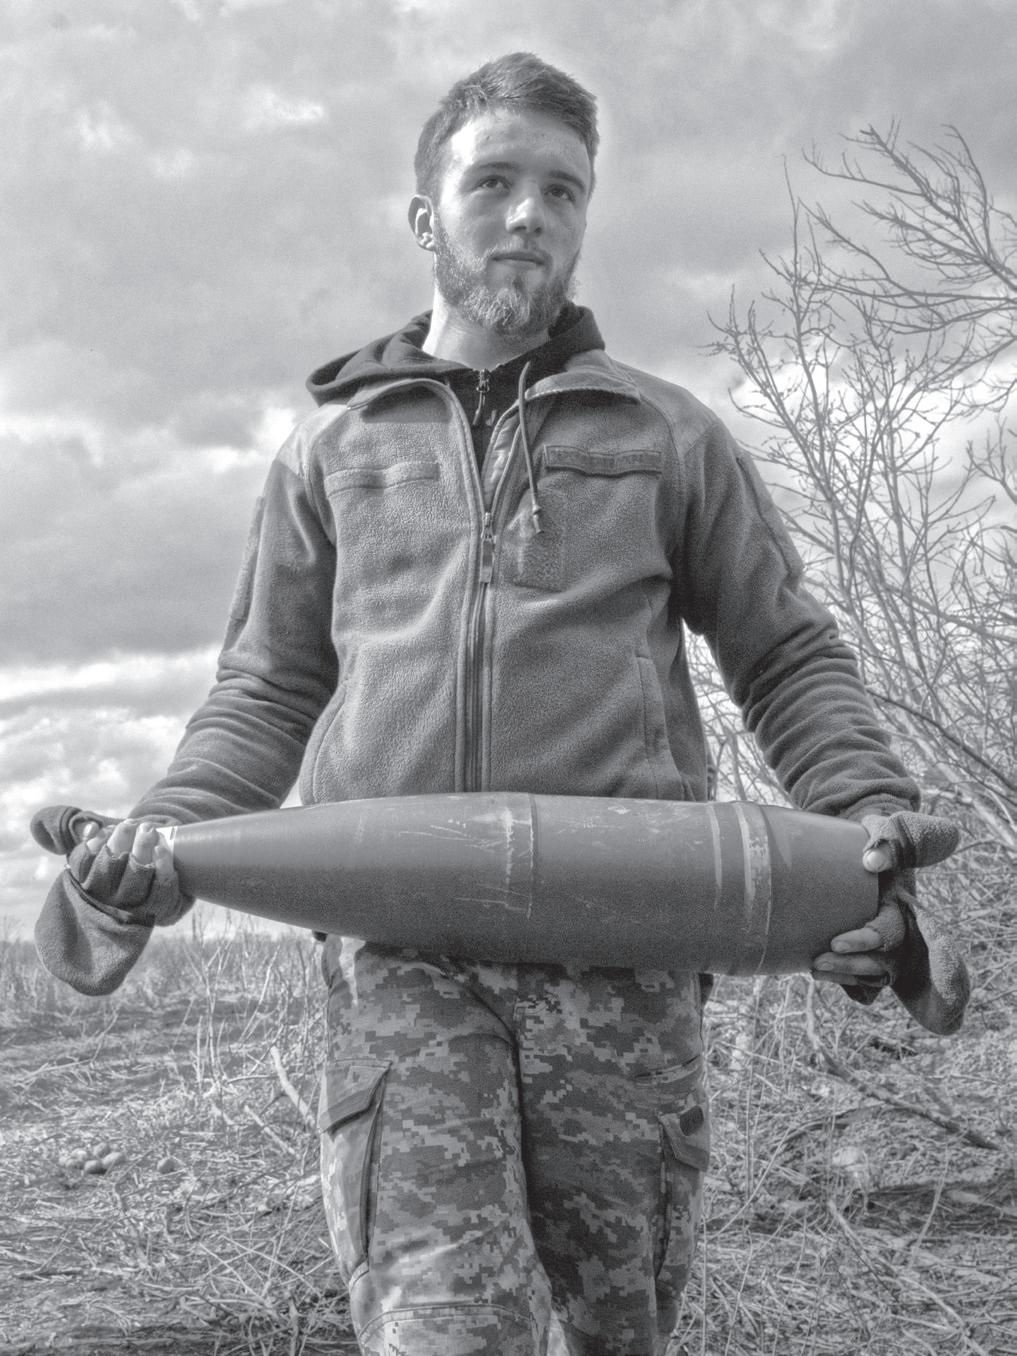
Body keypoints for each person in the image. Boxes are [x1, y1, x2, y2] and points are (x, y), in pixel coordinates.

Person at [33, 53, 967, 1356]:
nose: (529, 213)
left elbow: (784, 655)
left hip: (629, 956)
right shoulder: (330, 450)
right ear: (427, 215)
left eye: (562, 190)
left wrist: (864, 815)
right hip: (401, 961)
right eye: (494, 184)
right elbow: (266, 687)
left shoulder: (668, 437)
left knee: (615, 1331)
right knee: (441, 1330)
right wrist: (164, 837)